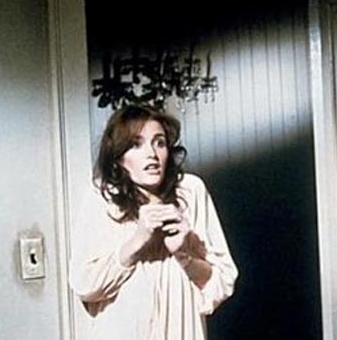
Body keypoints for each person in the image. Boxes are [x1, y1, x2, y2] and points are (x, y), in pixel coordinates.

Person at [70, 104, 238, 340]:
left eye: (159, 143)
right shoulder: (102, 197)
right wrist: (137, 242)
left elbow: (222, 282)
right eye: (136, 144)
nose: (152, 154)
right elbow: (85, 285)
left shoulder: (190, 192)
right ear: (118, 157)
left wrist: (184, 255)